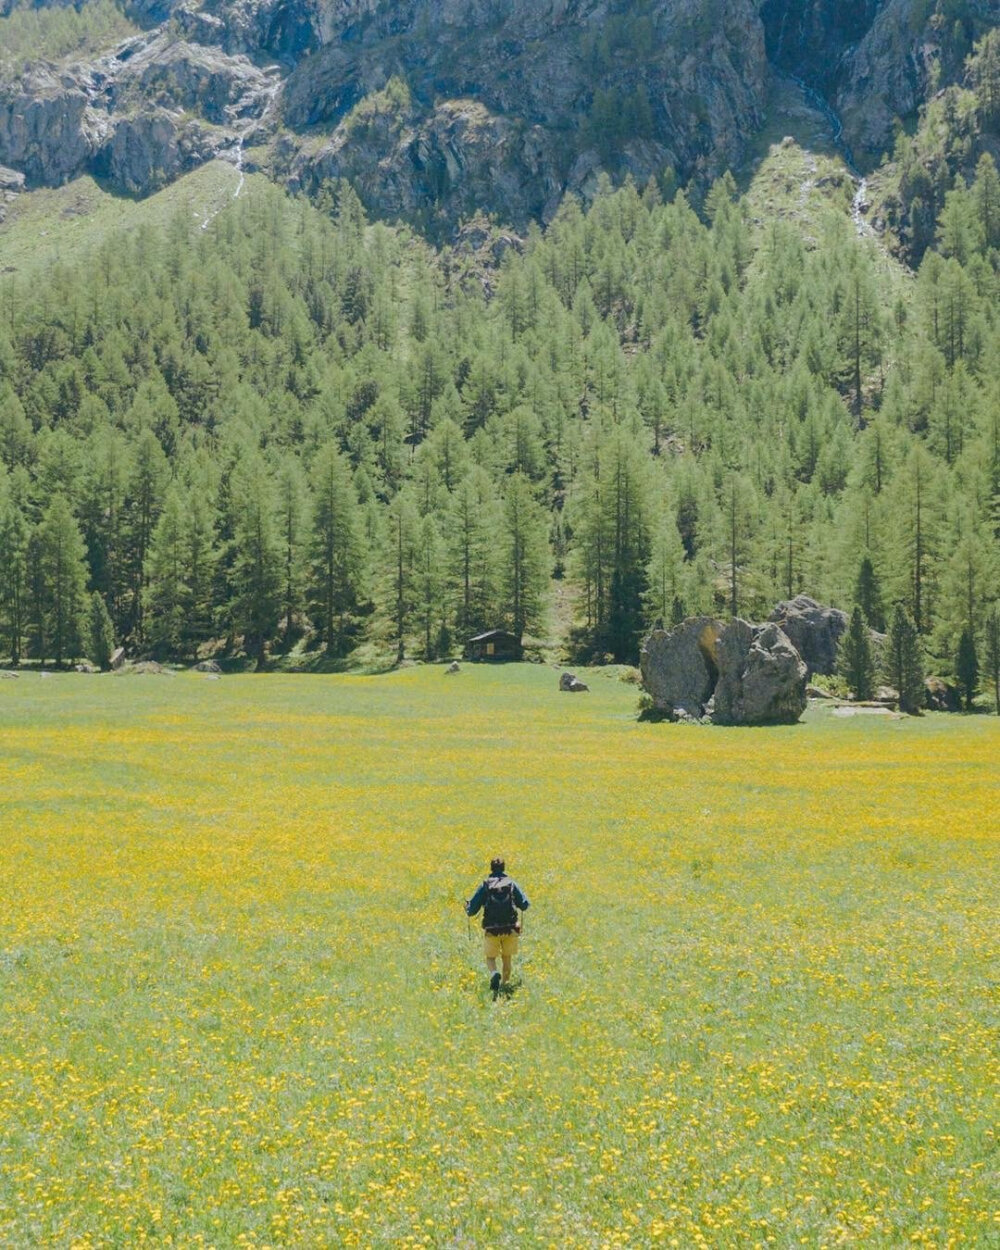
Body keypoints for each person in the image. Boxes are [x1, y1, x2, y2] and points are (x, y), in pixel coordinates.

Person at [465, 857, 530, 998]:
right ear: (504, 868)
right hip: (511, 928)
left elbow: (472, 910)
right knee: (507, 958)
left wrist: (467, 907)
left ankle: (494, 973)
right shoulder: (511, 884)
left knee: (490, 958)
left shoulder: (486, 885)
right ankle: (505, 986)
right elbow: (524, 904)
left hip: (492, 929)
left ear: (491, 868)